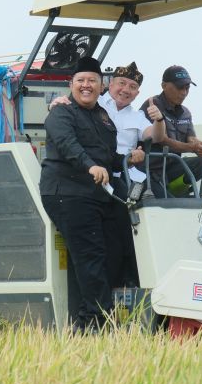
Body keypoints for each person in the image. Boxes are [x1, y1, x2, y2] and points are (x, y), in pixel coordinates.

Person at [40, 57, 145, 332]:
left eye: (92, 81)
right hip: (68, 193)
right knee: (91, 256)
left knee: (117, 249)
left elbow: (107, 156)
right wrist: (91, 166)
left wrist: (128, 158)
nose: (86, 86)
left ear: (102, 86)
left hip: (99, 194)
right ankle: (96, 323)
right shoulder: (61, 113)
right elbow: (67, 145)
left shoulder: (103, 116)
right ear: (71, 84)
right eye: (81, 81)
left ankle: (90, 320)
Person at [50, 61, 164, 287]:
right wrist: (55, 103)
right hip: (97, 173)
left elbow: (156, 137)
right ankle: (128, 276)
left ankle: (149, 271)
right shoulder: (95, 103)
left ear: (137, 93)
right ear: (108, 85)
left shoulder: (136, 116)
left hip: (125, 171)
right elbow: (67, 114)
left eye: (132, 87)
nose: (125, 90)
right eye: (121, 83)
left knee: (159, 200)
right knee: (124, 217)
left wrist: (159, 119)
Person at [139, 65, 202, 198]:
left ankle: (174, 191)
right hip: (151, 171)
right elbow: (161, 139)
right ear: (164, 85)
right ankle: (166, 193)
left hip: (172, 167)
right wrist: (192, 148)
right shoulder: (152, 105)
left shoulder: (185, 112)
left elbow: (192, 139)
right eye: (180, 87)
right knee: (170, 205)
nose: (184, 92)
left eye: (187, 88)